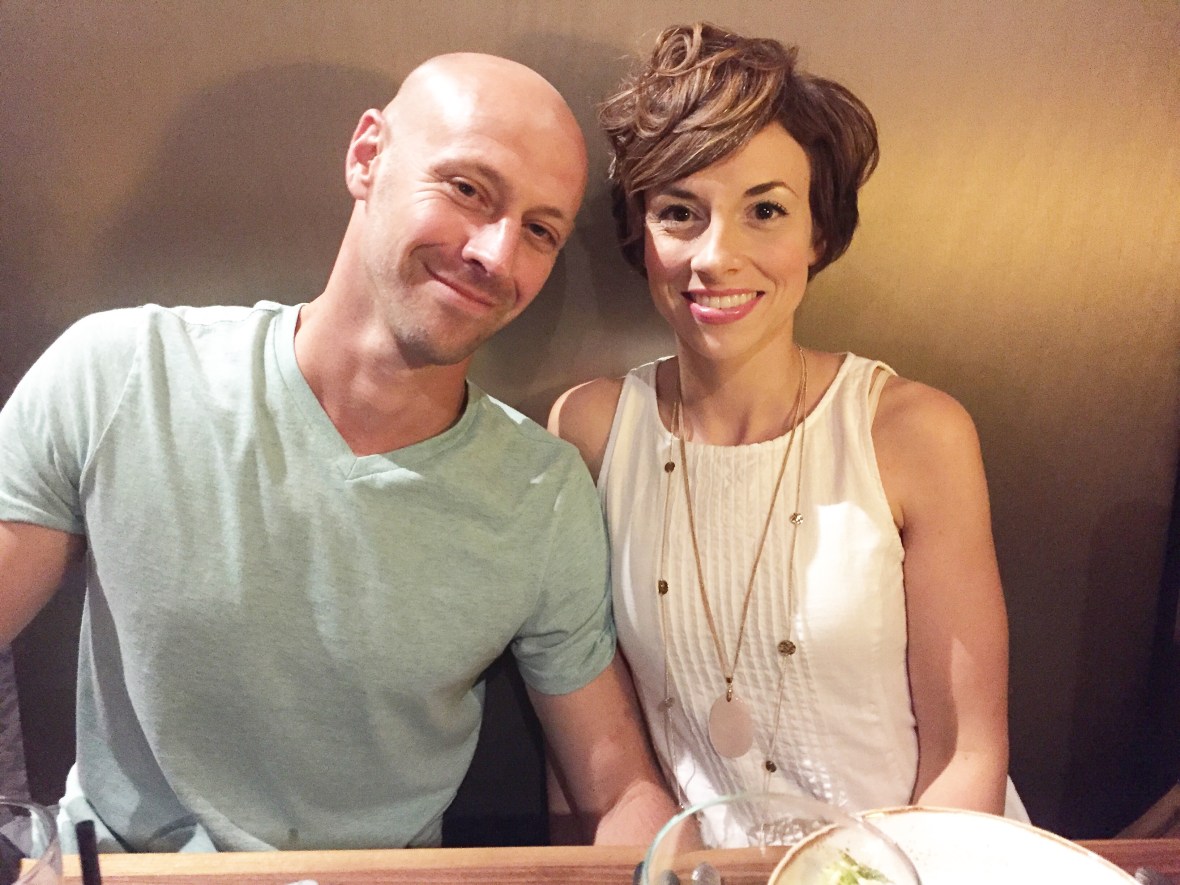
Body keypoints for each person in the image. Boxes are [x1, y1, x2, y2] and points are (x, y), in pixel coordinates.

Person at [0, 52, 679, 852]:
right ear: (367, 156)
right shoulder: (121, 374)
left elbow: (618, 788)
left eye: (539, 230)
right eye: (468, 189)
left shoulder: (543, 491)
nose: (496, 255)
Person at [548, 23, 1028, 846]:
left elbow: (967, 757)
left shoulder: (914, 433)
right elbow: (596, 753)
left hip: (921, 863)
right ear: (640, 234)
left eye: (765, 210)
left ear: (818, 232)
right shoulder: (592, 430)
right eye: (679, 212)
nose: (716, 256)